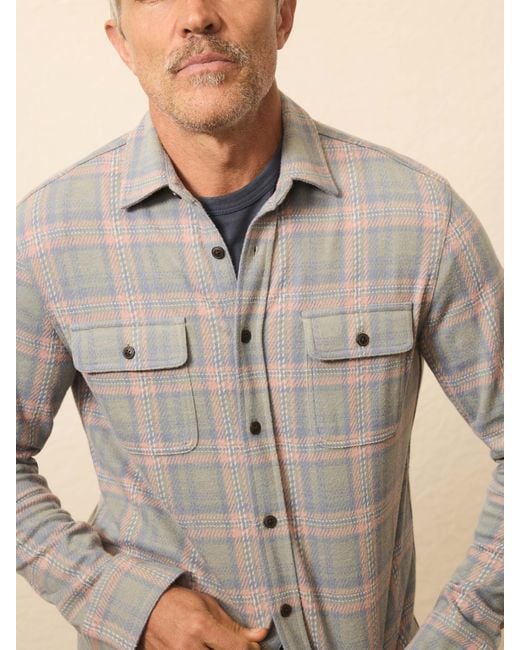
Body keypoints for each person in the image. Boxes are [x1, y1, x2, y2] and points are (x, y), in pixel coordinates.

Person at [16, 0, 503, 648]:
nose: (196, 15)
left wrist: (459, 633)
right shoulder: (48, 237)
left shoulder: (419, 216)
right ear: (122, 43)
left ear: (283, 16)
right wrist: (131, 605)